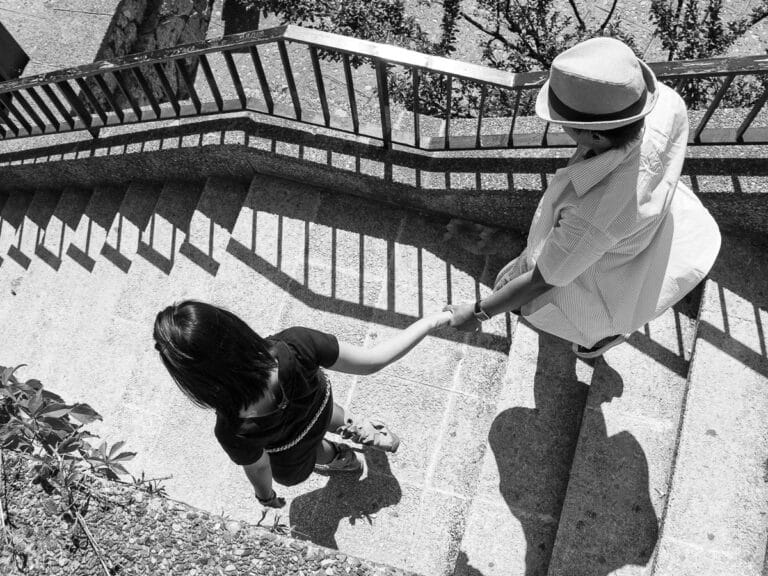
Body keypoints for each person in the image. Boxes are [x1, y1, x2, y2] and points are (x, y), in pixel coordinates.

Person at [446, 37, 721, 358]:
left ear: (596, 135)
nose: (561, 126)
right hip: (648, 232)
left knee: (581, 312)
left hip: (598, 270)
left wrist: (478, 312)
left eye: (567, 123)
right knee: (625, 298)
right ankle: (602, 335)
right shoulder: (668, 104)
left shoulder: (596, 206)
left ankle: (600, 339)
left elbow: (543, 279)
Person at [153, 300, 452, 508]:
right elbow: (374, 361)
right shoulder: (296, 343)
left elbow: (259, 469)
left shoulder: (232, 429)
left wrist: (266, 496)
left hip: (291, 449)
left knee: (305, 455)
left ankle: (339, 456)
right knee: (320, 416)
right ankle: (357, 427)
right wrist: (433, 321)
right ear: (231, 328)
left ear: (196, 380)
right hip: (320, 405)